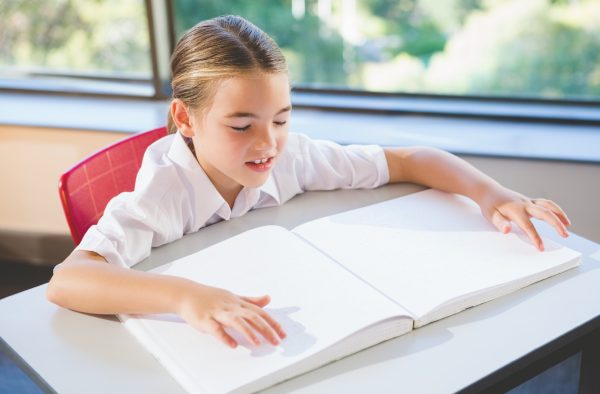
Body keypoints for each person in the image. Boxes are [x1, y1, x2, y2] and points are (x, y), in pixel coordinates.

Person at [47, 15, 571, 349]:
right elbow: (67, 282)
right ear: (184, 120)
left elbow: (412, 158)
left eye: (281, 118)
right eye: (241, 125)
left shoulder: (292, 157)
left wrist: (491, 194)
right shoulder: (163, 190)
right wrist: (186, 297)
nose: (268, 144)